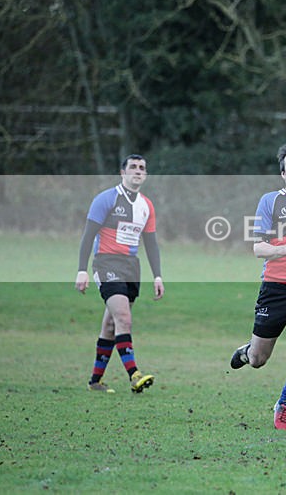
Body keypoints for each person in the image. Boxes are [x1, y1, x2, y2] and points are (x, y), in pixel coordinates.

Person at [229, 144, 286, 430]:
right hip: (276, 288)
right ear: (283, 173)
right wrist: (281, 251)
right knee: (259, 359)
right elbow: (258, 248)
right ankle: (246, 351)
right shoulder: (270, 201)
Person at [76, 154, 164, 394]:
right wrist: (82, 270)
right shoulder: (106, 199)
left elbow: (151, 243)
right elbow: (87, 236)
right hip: (106, 264)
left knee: (111, 326)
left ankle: (95, 381)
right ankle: (134, 374)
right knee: (123, 318)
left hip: (131, 267)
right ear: (122, 172)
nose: (138, 171)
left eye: (142, 168)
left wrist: (157, 276)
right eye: (133, 167)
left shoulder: (146, 205)